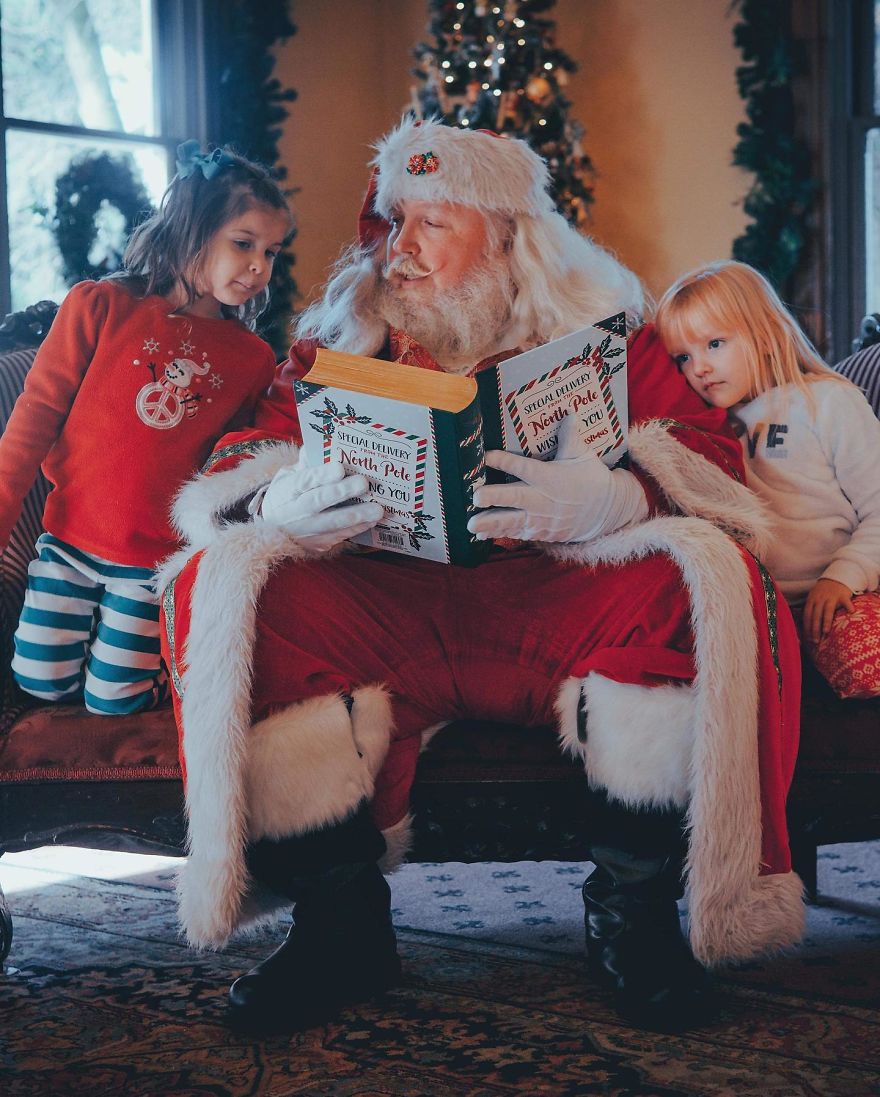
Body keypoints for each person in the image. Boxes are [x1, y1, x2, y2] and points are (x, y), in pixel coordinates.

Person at [159, 119, 804, 1034]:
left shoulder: (606, 332)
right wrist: (276, 502)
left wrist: (619, 498)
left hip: (556, 600)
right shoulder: (341, 341)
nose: (400, 249)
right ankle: (340, 920)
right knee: (233, 583)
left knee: (700, 577)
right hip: (385, 603)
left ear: (506, 237)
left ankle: (631, 913)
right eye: (395, 220)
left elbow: (710, 453)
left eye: (433, 225)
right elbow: (249, 448)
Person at [0, 141, 291, 714]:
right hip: (67, 544)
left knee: (115, 698)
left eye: (272, 252)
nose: (260, 266)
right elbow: (31, 422)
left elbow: (235, 466)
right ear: (190, 230)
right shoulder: (98, 306)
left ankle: (170, 674)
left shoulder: (252, 358)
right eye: (243, 243)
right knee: (38, 681)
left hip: (153, 562)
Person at [656, 260, 880, 701]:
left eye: (715, 343)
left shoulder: (827, 402)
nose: (699, 367)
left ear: (762, 333)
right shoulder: (701, 428)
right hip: (750, 613)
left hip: (837, 595)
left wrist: (844, 576)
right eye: (683, 356)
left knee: (868, 659)